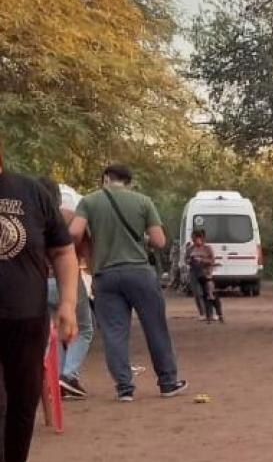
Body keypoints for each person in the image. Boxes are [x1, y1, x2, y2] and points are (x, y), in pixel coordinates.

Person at [69, 164, 187, 401]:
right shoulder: (143, 201)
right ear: (129, 182)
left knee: (114, 333)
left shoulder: (89, 202)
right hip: (139, 273)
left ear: (105, 179)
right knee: (155, 328)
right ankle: (167, 383)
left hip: (105, 275)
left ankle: (124, 388)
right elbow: (159, 241)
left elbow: (73, 233)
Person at [0, 140, 78, 462]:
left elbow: (62, 251)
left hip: (26, 320)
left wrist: (68, 304)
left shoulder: (30, 192)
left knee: (24, 400)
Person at [36, 177, 96, 400]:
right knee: (84, 328)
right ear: (58, 197)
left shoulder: (30, 217)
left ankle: (54, 380)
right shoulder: (69, 217)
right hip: (66, 281)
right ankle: (68, 375)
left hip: (40, 282)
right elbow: (84, 244)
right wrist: (92, 272)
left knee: (54, 333)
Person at [187, 229, 222, 324]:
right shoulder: (190, 249)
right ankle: (202, 313)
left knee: (209, 294)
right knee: (197, 294)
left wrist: (202, 261)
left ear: (202, 238)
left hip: (206, 273)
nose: (195, 240)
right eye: (193, 238)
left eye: (197, 238)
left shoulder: (208, 248)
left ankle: (213, 313)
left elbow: (212, 261)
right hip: (194, 273)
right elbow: (186, 260)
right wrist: (191, 261)